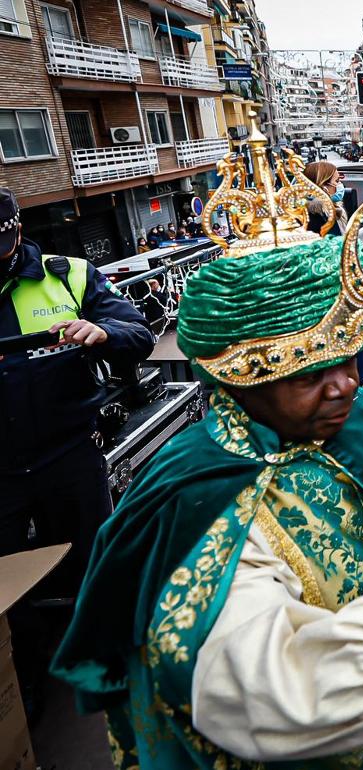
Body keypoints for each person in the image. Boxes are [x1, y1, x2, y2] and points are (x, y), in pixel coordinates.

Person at [50, 152, 363, 766]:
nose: (345, 386)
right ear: (240, 380)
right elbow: (247, 678)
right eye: (309, 374)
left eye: (347, 361)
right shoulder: (191, 492)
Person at [0, 187, 156, 705]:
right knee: (8, 586)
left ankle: (104, 661)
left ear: (17, 231)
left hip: (67, 451)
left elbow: (139, 332)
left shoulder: (69, 274)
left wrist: (103, 330)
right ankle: (26, 680)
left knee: (93, 559)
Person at [304, 161, 349, 236]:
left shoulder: (332, 209)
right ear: (322, 185)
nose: (340, 185)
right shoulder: (315, 216)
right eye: (337, 181)